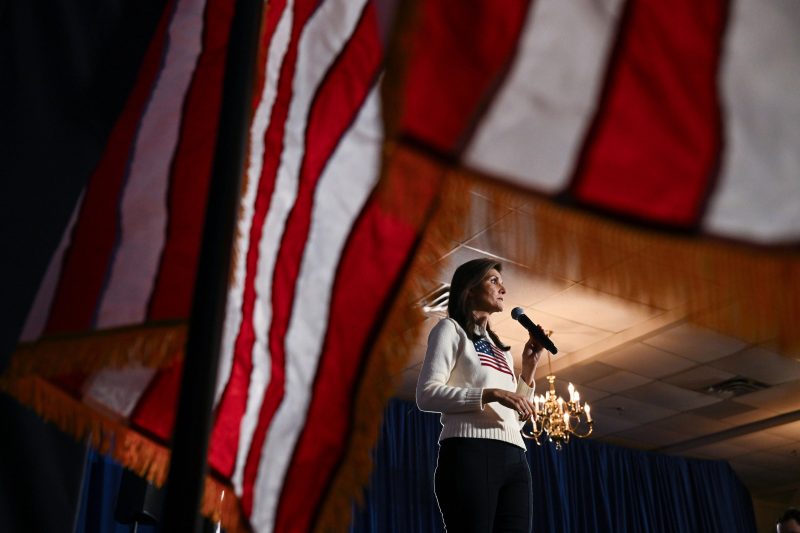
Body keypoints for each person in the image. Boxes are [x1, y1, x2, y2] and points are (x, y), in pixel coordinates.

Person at [416, 258, 546, 532]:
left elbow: (515, 419)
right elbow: (427, 394)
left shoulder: (502, 351)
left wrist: (528, 369)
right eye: (493, 280)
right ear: (470, 289)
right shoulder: (450, 330)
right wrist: (491, 394)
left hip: (515, 457)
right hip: (470, 452)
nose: (503, 289)